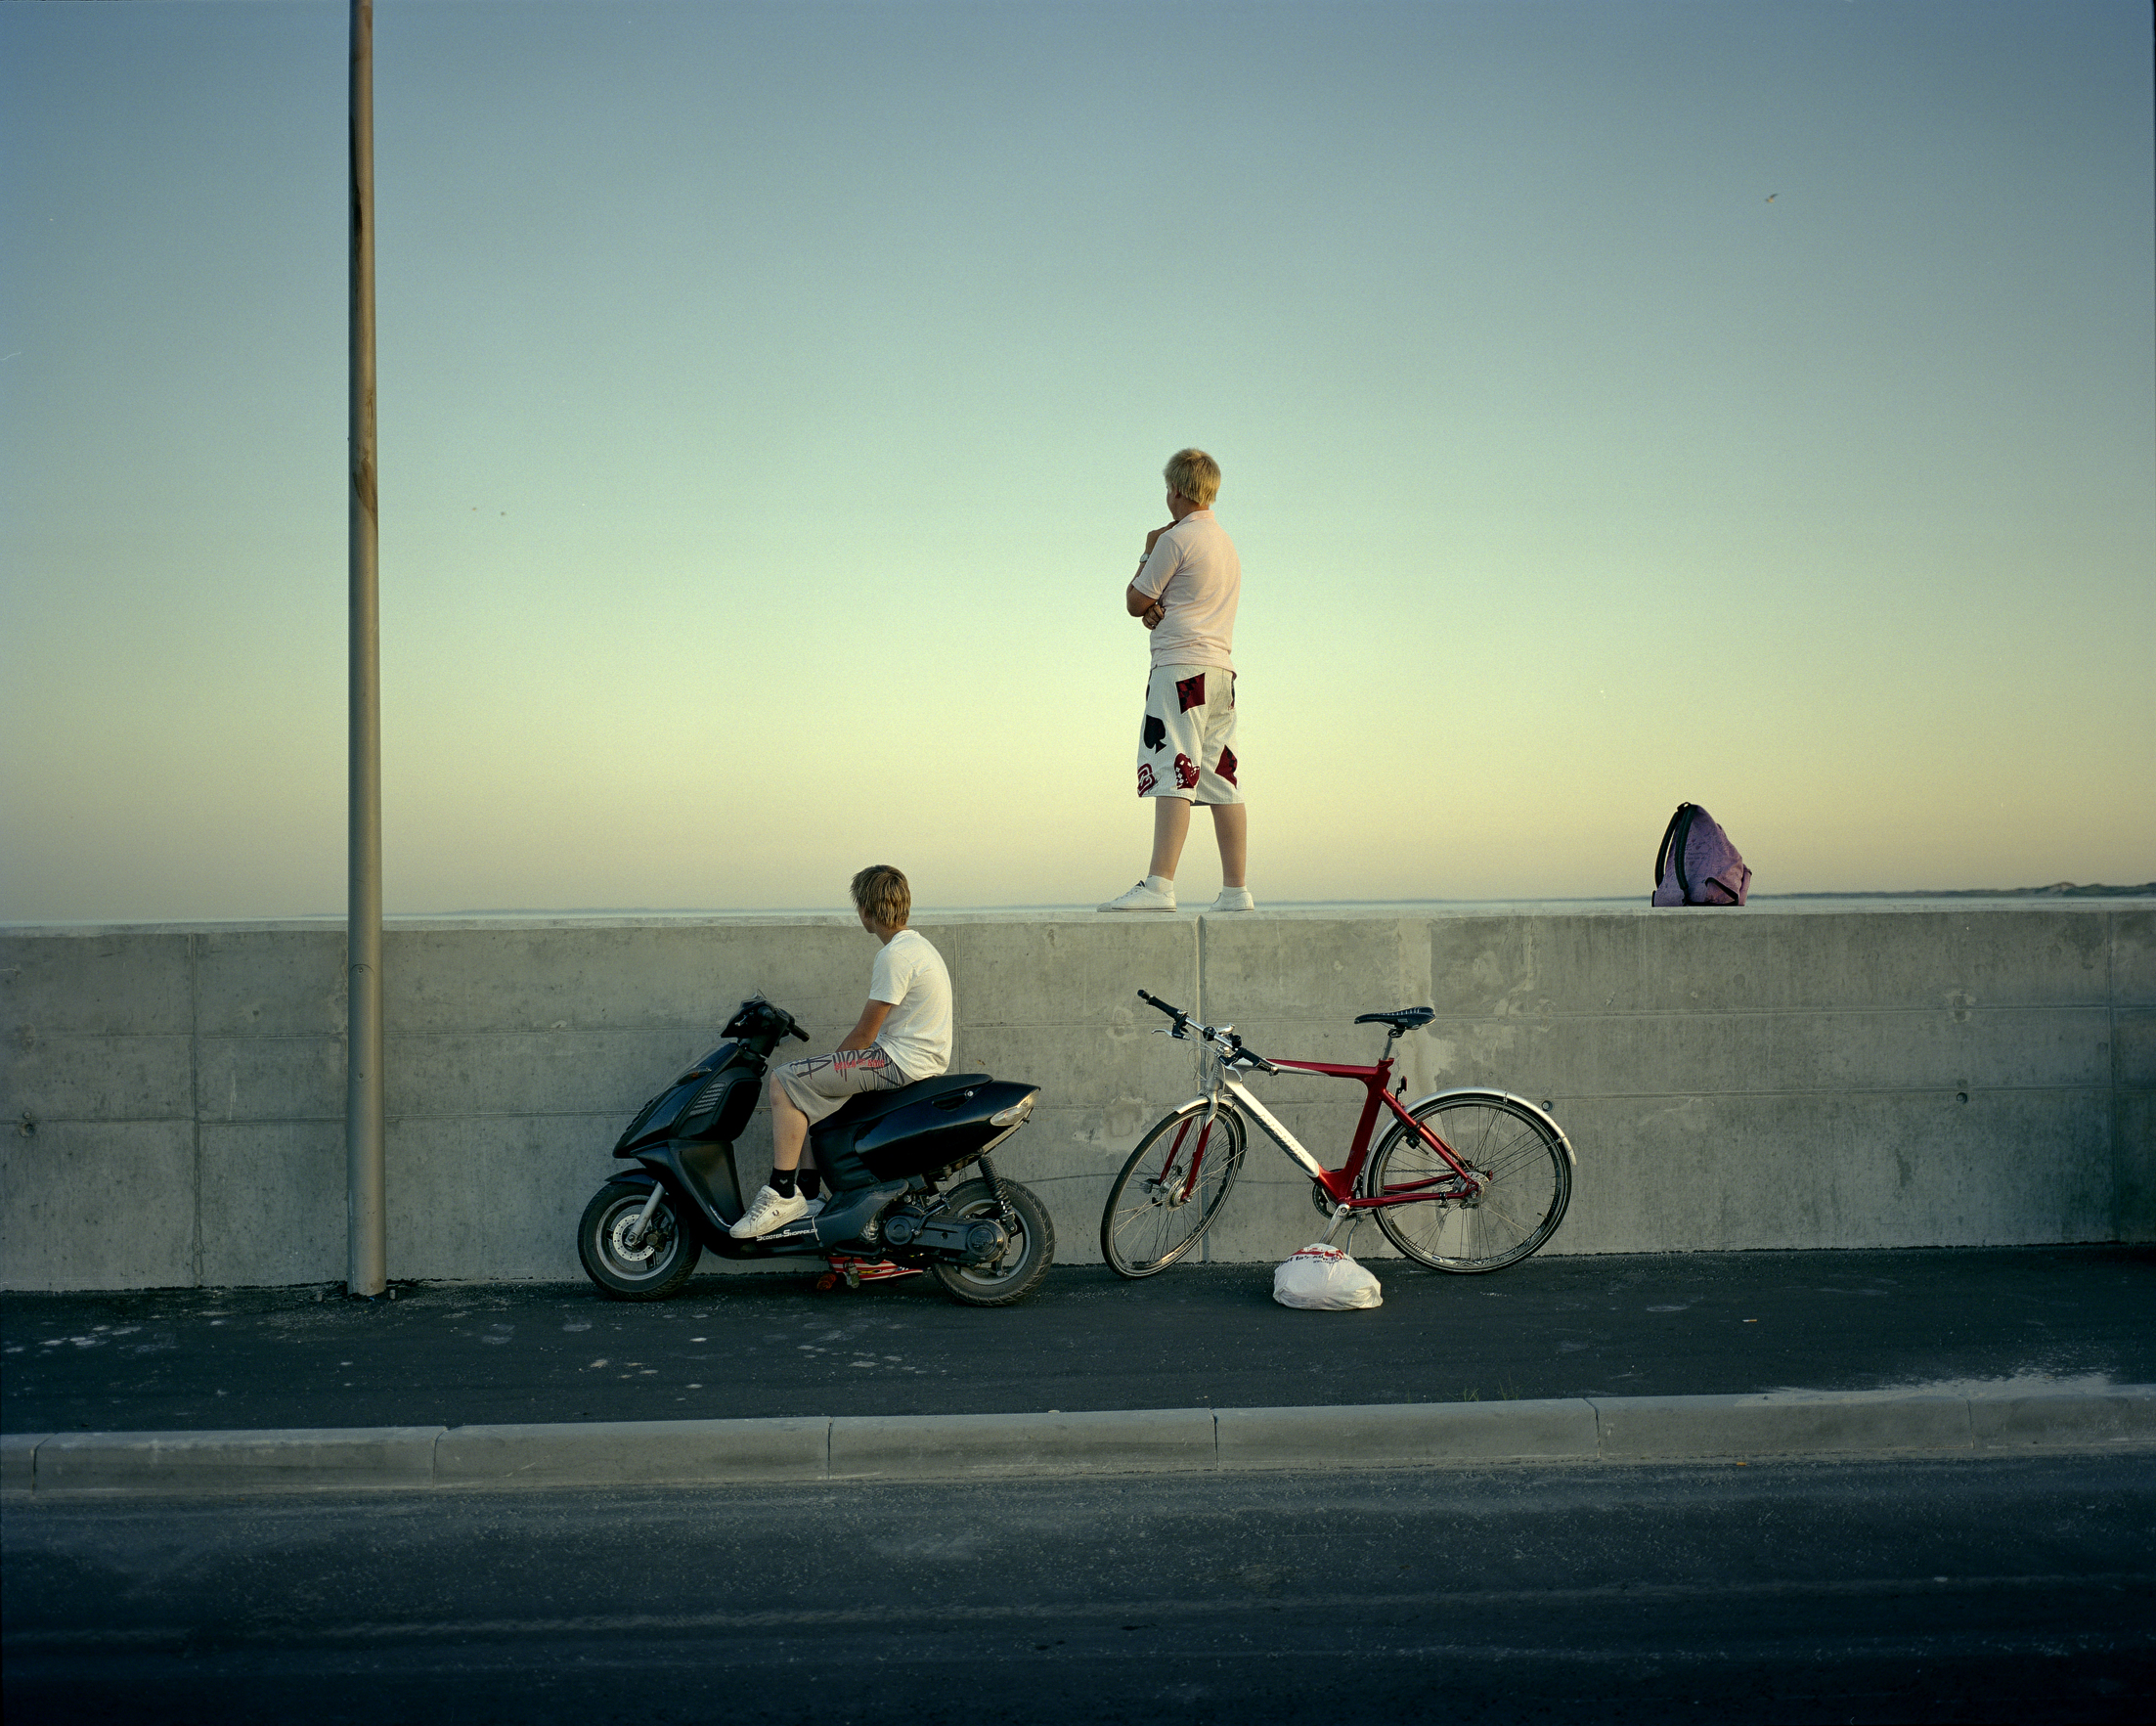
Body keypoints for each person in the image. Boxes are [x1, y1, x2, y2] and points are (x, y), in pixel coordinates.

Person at [730, 864, 953, 1239]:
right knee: (811, 1090)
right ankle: (812, 1195)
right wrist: (822, 1073)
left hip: (899, 1062)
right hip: (913, 1058)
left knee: (786, 1082)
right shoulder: (918, 946)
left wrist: (825, 1066)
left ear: (866, 911)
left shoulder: (895, 956)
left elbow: (865, 1035)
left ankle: (783, 1192)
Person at [1098, 447, 1252, 913]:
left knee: (1172, 770)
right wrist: (1158, 611)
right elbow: (1174, 602)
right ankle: (1235, 891)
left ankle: (1159, 886)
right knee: (1222, 779)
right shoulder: (1225, 544)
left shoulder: (1174, 539)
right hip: (1220, 671)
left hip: (1180, 669)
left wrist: (1148, 548)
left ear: (1178, 490)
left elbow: (1134, 600)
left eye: (1168, 487)